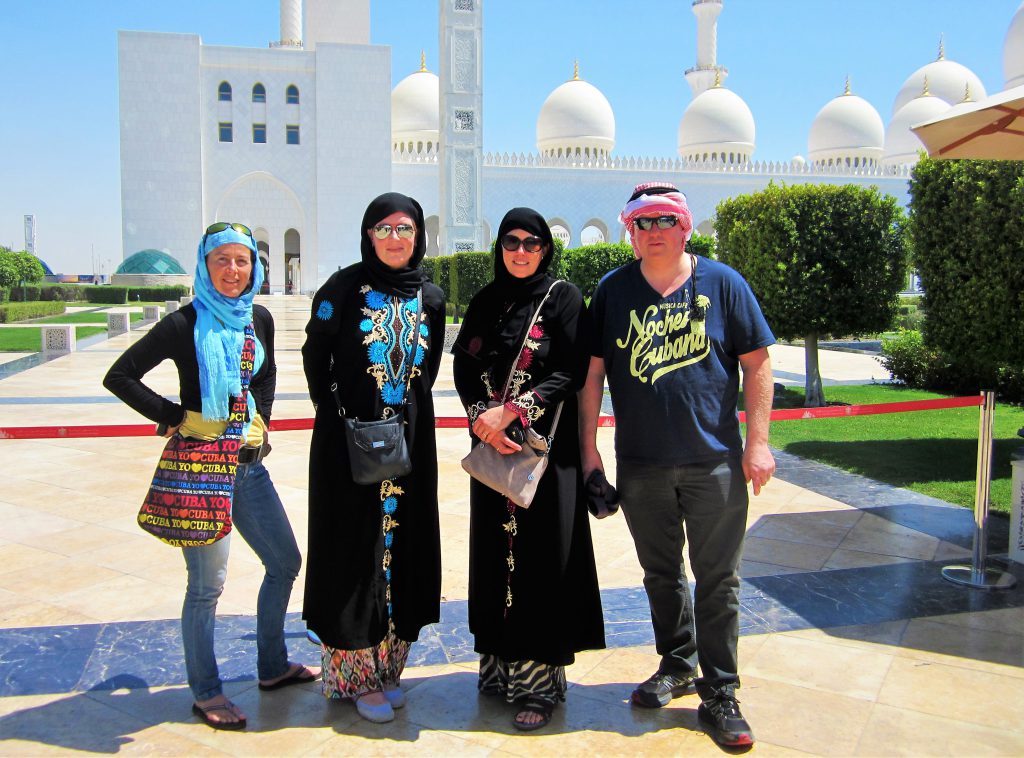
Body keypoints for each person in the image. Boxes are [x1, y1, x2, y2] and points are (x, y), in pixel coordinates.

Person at [579, 182, 775, 748]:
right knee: (662, 574)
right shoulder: (613, 291)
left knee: (718, 580)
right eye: (643, 223)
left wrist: (757, 443)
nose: (655, 231)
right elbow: (593, 376)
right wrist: (590, 451)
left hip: (713, 462)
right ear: (630, 231)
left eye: (666, 220)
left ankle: (721, 691)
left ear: (686, 226)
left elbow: (758, 366)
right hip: (641, 465)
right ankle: (678, 663)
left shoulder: (725, 284)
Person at [104, 222, 313, 731]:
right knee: (206, 586)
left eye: (242, 261)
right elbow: (120, 375)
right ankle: (207, 691)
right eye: (222, 260)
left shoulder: (256, 319)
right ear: (205, 264)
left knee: (284, 562)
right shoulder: (185, 322)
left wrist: (258, 420)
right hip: (198, 468)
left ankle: (270, 667)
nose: (233, 270)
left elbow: (263, 375)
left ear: (254, 267)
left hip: (246, 467)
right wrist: (174, 415)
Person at [452, 207, 605, 732]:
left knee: (541, 563)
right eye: (511, 242)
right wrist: (482, 420)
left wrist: (515, 411)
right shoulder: (487, 301)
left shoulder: (562, 297)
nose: (520, 251)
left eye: (531, 243)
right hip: (495, 451)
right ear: (500, 246)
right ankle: (498, 668)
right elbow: (464, 364)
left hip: (544, 452)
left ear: (546, 248)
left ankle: (539, 685)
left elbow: (572, 368)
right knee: (496, 557)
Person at [301, 192, 445, 724]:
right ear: (367, 234)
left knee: (402, 548)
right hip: (348, 444)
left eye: (404, 228)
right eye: (383, 228)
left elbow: (425, 370)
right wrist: (341, 415)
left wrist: (402, 410)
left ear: (417, 236)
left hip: (408, 444)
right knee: (351, 550)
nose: (393, 238)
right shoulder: (342, 287)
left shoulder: (429, 294)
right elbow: (315, 354)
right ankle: (354, 677)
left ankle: (387, 668)